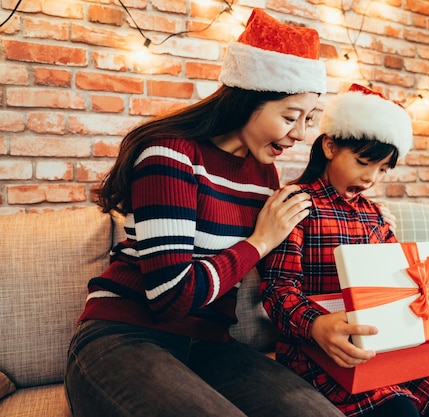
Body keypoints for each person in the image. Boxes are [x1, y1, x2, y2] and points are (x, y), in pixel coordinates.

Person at [64, 8, 348, 417]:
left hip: (212, 345)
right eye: (289, 117)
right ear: (248, 99)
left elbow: (284, 277)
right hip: (124, 336)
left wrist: (364, 232)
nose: (300, 134)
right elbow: (171, 297)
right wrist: (260, 240)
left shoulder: (264, 172)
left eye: (309, 119)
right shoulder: (170, 153)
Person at [261, 84, 429, 417]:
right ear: (329, 146)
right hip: (319, 348)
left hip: (386, 344)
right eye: (363, 162)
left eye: (383, 169)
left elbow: (408, 289)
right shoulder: (297, 205)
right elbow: (277, 289)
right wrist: (317, 326)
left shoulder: (375, 214)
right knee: (396, 409)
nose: (371, 177)